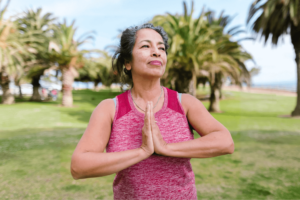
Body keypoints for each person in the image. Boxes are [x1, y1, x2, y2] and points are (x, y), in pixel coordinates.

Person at [71, 23, 234, 199]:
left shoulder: (185, 103)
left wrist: (165, 148)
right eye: (146, 46)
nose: (156, 52)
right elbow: (79, 167)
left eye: (161, 48)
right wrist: (142, 151)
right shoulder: (110, 109)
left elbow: (225, 142)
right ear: (127, 62)